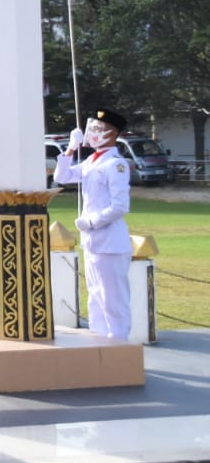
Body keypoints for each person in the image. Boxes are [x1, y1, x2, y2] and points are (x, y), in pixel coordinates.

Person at [54, 108, 133, 340]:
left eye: (99, 129)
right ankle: (99, 342)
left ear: (112, 133)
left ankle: (119, 345)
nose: (94, 133)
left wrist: (91, 222)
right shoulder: (92, 160)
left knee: (113, 300)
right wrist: (70, 147)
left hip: (110, 241)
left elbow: (120, 206)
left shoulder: (115, 164)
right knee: (96, 298)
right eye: (94, 128)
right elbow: (62, 177)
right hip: (93, 242)